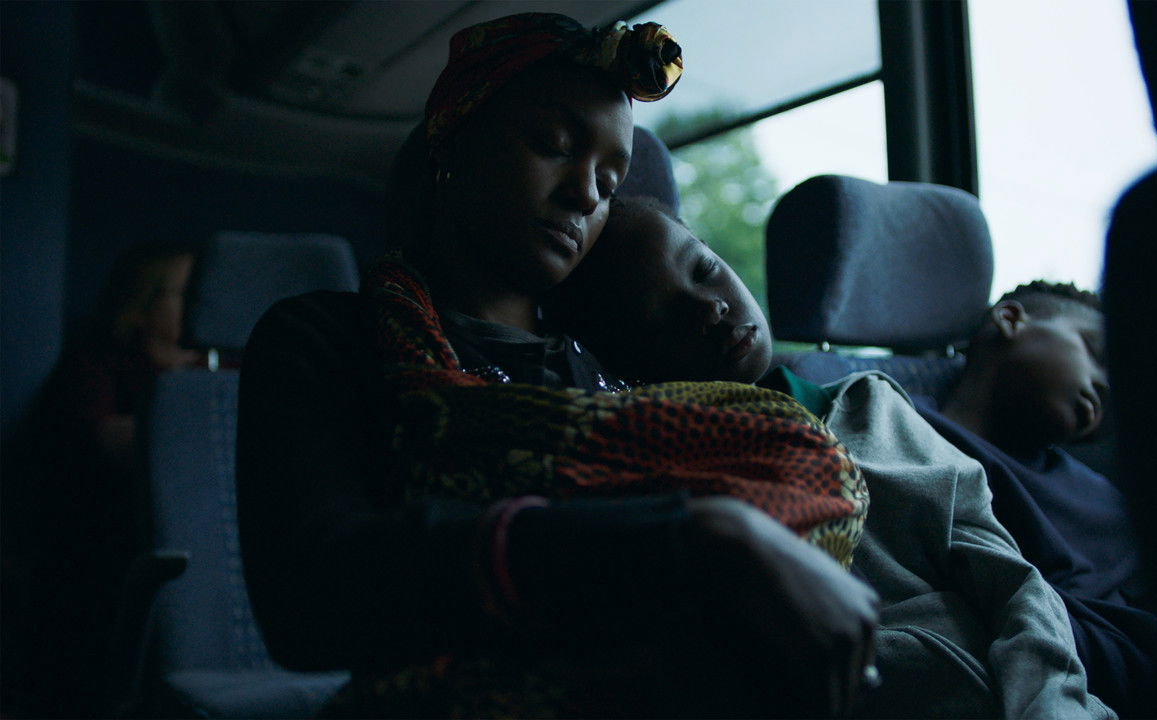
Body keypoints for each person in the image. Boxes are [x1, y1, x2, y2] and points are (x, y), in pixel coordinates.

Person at [238, 13, 877, 718]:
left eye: (610, 180)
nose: (586, 194)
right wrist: (685, 540)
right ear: (454, 140)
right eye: (553, 145)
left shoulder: (620, 361)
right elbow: (311, 597)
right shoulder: (329, 339)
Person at [546, 196, 1116, 719]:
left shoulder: (874, 407)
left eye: (704, 269)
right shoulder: (666, 486)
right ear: (625, 367)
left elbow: (1012, 580)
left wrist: (1051, 705)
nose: (711, 306)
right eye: (664, 315)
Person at [912, 281, 1157, 717]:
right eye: (1095, 353)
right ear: (1011, 320)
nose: (1107, 386)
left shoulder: (1103, 494)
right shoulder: (903, 426)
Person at [20, 242, 201, 715]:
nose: (198, 304)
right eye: (184, 293)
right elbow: (103, 438)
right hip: (102, 564)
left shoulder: (216, 371)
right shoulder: (98, 368)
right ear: (140, 306)